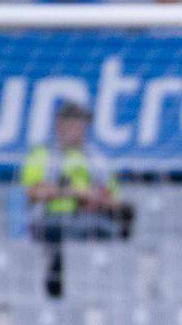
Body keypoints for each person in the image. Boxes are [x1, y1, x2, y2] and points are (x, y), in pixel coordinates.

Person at [22, 101, 132, 298]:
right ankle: (56, 293)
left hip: (90, 219)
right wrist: (75, 192)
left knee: (112, 229)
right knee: (65, 232)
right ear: (59, 125)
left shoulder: (96, 158)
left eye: (81, 123)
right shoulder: (43, 154)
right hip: (51, 218)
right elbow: (33, 192)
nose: (78, 128)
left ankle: (105, 294)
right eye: (72, 122)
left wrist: (98, 199)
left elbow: (113, 198)